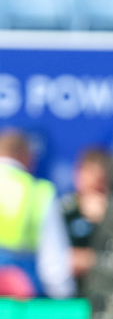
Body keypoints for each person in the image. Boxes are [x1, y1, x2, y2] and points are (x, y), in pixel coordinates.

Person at [0, 128, 74, 300]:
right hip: (20, 308)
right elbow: (54, 268)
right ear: (25, 156)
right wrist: (64, 299)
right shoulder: (39, 193)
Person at [61, 148, 111, 293]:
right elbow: (54, 260)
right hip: (69, 295)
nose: (95, 196)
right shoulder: (64, 211)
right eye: (92, 187)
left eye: (100, 187)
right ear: (78, 176)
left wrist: (107, 218)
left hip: (107, 293)